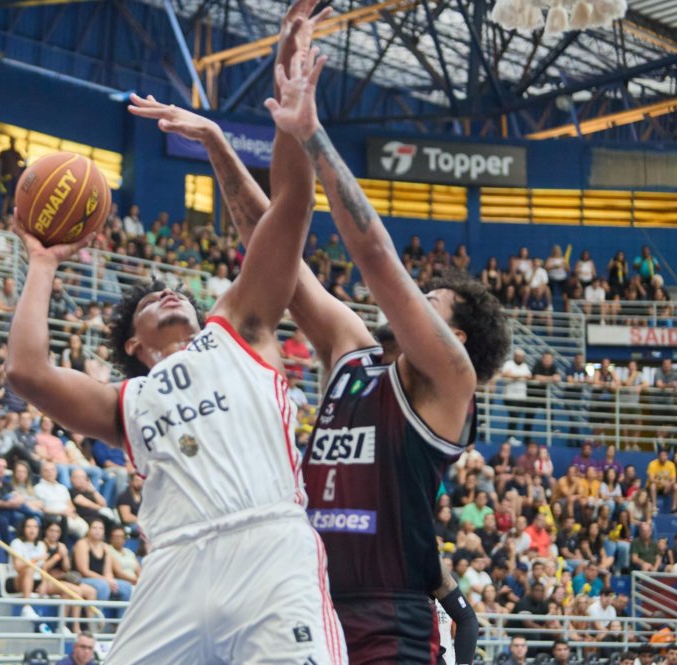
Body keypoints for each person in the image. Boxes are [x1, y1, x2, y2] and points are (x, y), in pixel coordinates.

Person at [127, 5, 505, 662]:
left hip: (391, 621)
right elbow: (272, 250)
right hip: (302, 597)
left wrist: (312, 137)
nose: (413, 298)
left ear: (459, 337)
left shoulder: (451, 381)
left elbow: (377, 256)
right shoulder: (352, 351)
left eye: (431, 299)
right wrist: (220, 141)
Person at [13, 16, 344, 664]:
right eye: (148, 301)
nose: (168, 294)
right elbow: (26, 372)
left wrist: (285, 121)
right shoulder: (127, 401)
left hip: (270, 548)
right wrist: (42, 264)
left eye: (176, 293)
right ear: (134, 344)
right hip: (175, 565)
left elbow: (291, 208)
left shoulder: (239, 326)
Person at [72, 518, 133, 603]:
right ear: (88, 530)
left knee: (126, 586)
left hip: (101, 579)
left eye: (101, 528)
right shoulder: (82, 544)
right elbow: (84, 570)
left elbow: (107, 571)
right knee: (103, 586)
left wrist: (111, 581)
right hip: (83, 578)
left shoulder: (105, 547)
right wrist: (105, 580)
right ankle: (97, 615)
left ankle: (122, 616)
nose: (98, 531)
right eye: (94, 528)